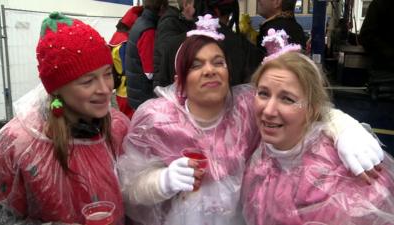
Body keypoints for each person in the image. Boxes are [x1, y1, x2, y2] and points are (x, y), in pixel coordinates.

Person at [117, 16, 384, 225]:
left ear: (228, 71)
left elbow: (304, 106)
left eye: (218, 62)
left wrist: (345, 128)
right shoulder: (159, 119)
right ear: (180, 79)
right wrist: (162, 181)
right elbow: (130, 187)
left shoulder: (245, 107)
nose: (210, 70)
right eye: (196, 65)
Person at [242, 30, 394, 225]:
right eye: (263, 93)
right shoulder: (258, 152)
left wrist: (343, 125)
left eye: (287, 99)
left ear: (312, 108)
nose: (269, 110)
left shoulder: (342, 173)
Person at [0, 12, 130, 224]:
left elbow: (133, 194)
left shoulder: (118, 127)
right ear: (56, 88)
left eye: (107, 74)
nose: (105, 89)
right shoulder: (18, 145)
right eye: (87, 81)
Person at [124, 0, 168, 110]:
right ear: (162, 8)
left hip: (137, 92)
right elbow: (150, 71)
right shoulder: (149, 30)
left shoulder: (140, 21)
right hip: (143, 96)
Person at [153, 0, 196, 89]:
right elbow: (168, 53)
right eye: (194, 6)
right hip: (168, 85)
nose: (195, 10)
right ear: (186, 5)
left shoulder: (181, 21)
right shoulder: (170, 22)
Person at [109, 6, 143, 119]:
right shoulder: (125, 43)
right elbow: (129, 67)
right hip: (128, 90)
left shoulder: (116, 38)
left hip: (121, 89)